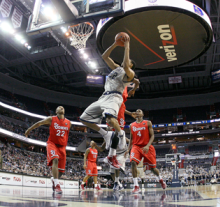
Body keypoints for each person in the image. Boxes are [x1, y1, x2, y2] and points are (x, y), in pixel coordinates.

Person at [80, 37, 136, 169]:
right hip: (103, 97)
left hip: (114, 97)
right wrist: (115, 44)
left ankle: (120, 138)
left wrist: (127, 45)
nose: (125, 62)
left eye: (128, 62)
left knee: (111, 121)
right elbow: (105, 56)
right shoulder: (116, 68)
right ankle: (106, 134)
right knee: (84, 119)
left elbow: (126, 64)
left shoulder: (130, 73)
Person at [25, 106, 71, 193]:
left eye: (62, 107)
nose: (61, 107)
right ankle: (57, 185)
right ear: (56, 111)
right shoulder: (51, 119)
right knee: (55, 159)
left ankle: (54, 180)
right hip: (52, 144)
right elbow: (39, 123)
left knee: (61, 171)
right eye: (58, 107)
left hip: (62, 147)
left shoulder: (69, 122)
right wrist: (29, 129)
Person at [125, 109, 166, 193]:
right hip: (136, 147)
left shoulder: (148, 123)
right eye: (137, 111)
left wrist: (147, 146)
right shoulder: (131, 125)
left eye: (140, 111)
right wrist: (128, 149)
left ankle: (161, 180)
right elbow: (132, 139)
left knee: (153, 168)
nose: (138, 111)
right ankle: (136, 185)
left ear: (143, 114)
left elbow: (152, 136)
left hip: (147, 146)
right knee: (133, 162)